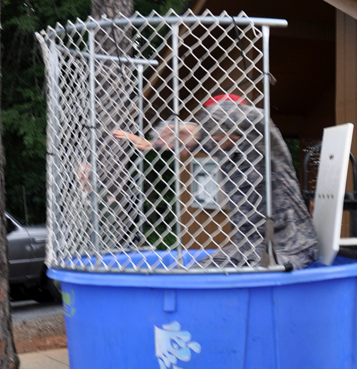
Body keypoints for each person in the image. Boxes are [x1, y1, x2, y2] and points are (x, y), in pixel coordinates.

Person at [114, 94, 318, 270]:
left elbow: (233, 117)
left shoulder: (263, 139)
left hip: (290, 247)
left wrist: (200, 127)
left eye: (219, 128)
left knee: (252, 277)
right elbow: (192, 141)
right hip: (249, 248)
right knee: (187, 273)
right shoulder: (224, 150)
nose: (217, 139)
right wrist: (153, 144)